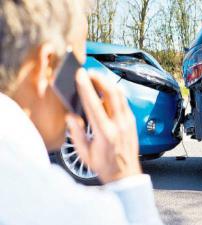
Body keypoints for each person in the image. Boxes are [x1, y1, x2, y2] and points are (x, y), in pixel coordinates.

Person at [0, 0, 163, 224]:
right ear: (46, 66)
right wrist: (126, 178)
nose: (79, 82)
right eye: (76, 66)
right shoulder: (62, 207)